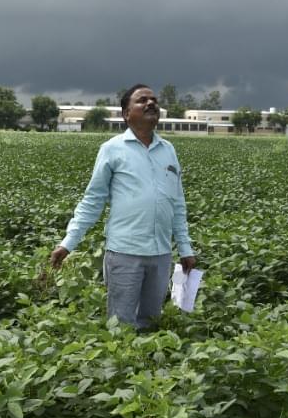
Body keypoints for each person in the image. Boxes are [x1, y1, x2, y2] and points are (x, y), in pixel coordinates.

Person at [50, 84, 196, 330]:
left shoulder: (168, 150)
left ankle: (146, 363)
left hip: (160, 254)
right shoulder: (112, 149)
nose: (150, 103)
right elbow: (93, 200)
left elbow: (177, 204)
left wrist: (185, 247)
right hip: (125, 253)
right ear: (126, 114)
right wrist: (68, 243)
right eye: (141, 101)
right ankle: (123, 368)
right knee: (121, 324)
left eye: (153, 100)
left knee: (151, 321)